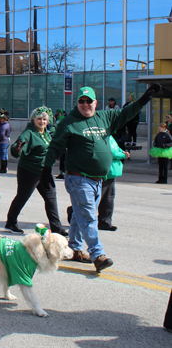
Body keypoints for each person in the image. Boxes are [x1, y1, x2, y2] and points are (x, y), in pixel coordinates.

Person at [41, 84, 161, 272]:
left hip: (99, 180)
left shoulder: (105, 117)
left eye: (89, 101)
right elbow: (55, 147)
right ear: (78, 102)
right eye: (82, 101)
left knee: (79, 215)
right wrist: (45, 170)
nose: (85, 104)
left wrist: (144, 98)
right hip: (78, 178)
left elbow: (127, 112)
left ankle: (74, 248)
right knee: (88, 217)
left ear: (96, 103)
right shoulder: (69, 122)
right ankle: (98, 255)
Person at [5, 107, 66, 237]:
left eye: (44, 119)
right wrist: (17, 149)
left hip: (45, 171)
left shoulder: (46, 133)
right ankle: (11, 222)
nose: (42, 122)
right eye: (39, 119)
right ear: (33, 120)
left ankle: (57, 227)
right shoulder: (29, 133)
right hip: (29, 171)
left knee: (51, 199)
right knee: (22, 197)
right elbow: (18, 147)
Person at [96, 136, 130, 231]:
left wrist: (123, 152)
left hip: (111, 173)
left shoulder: (110, 137)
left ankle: (105, 222)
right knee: (96, 198)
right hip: (103, 172)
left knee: (108, 198)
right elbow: (112, 153)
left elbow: (117, 148)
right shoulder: (102, 136)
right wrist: (123, 155)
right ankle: (74, 212)